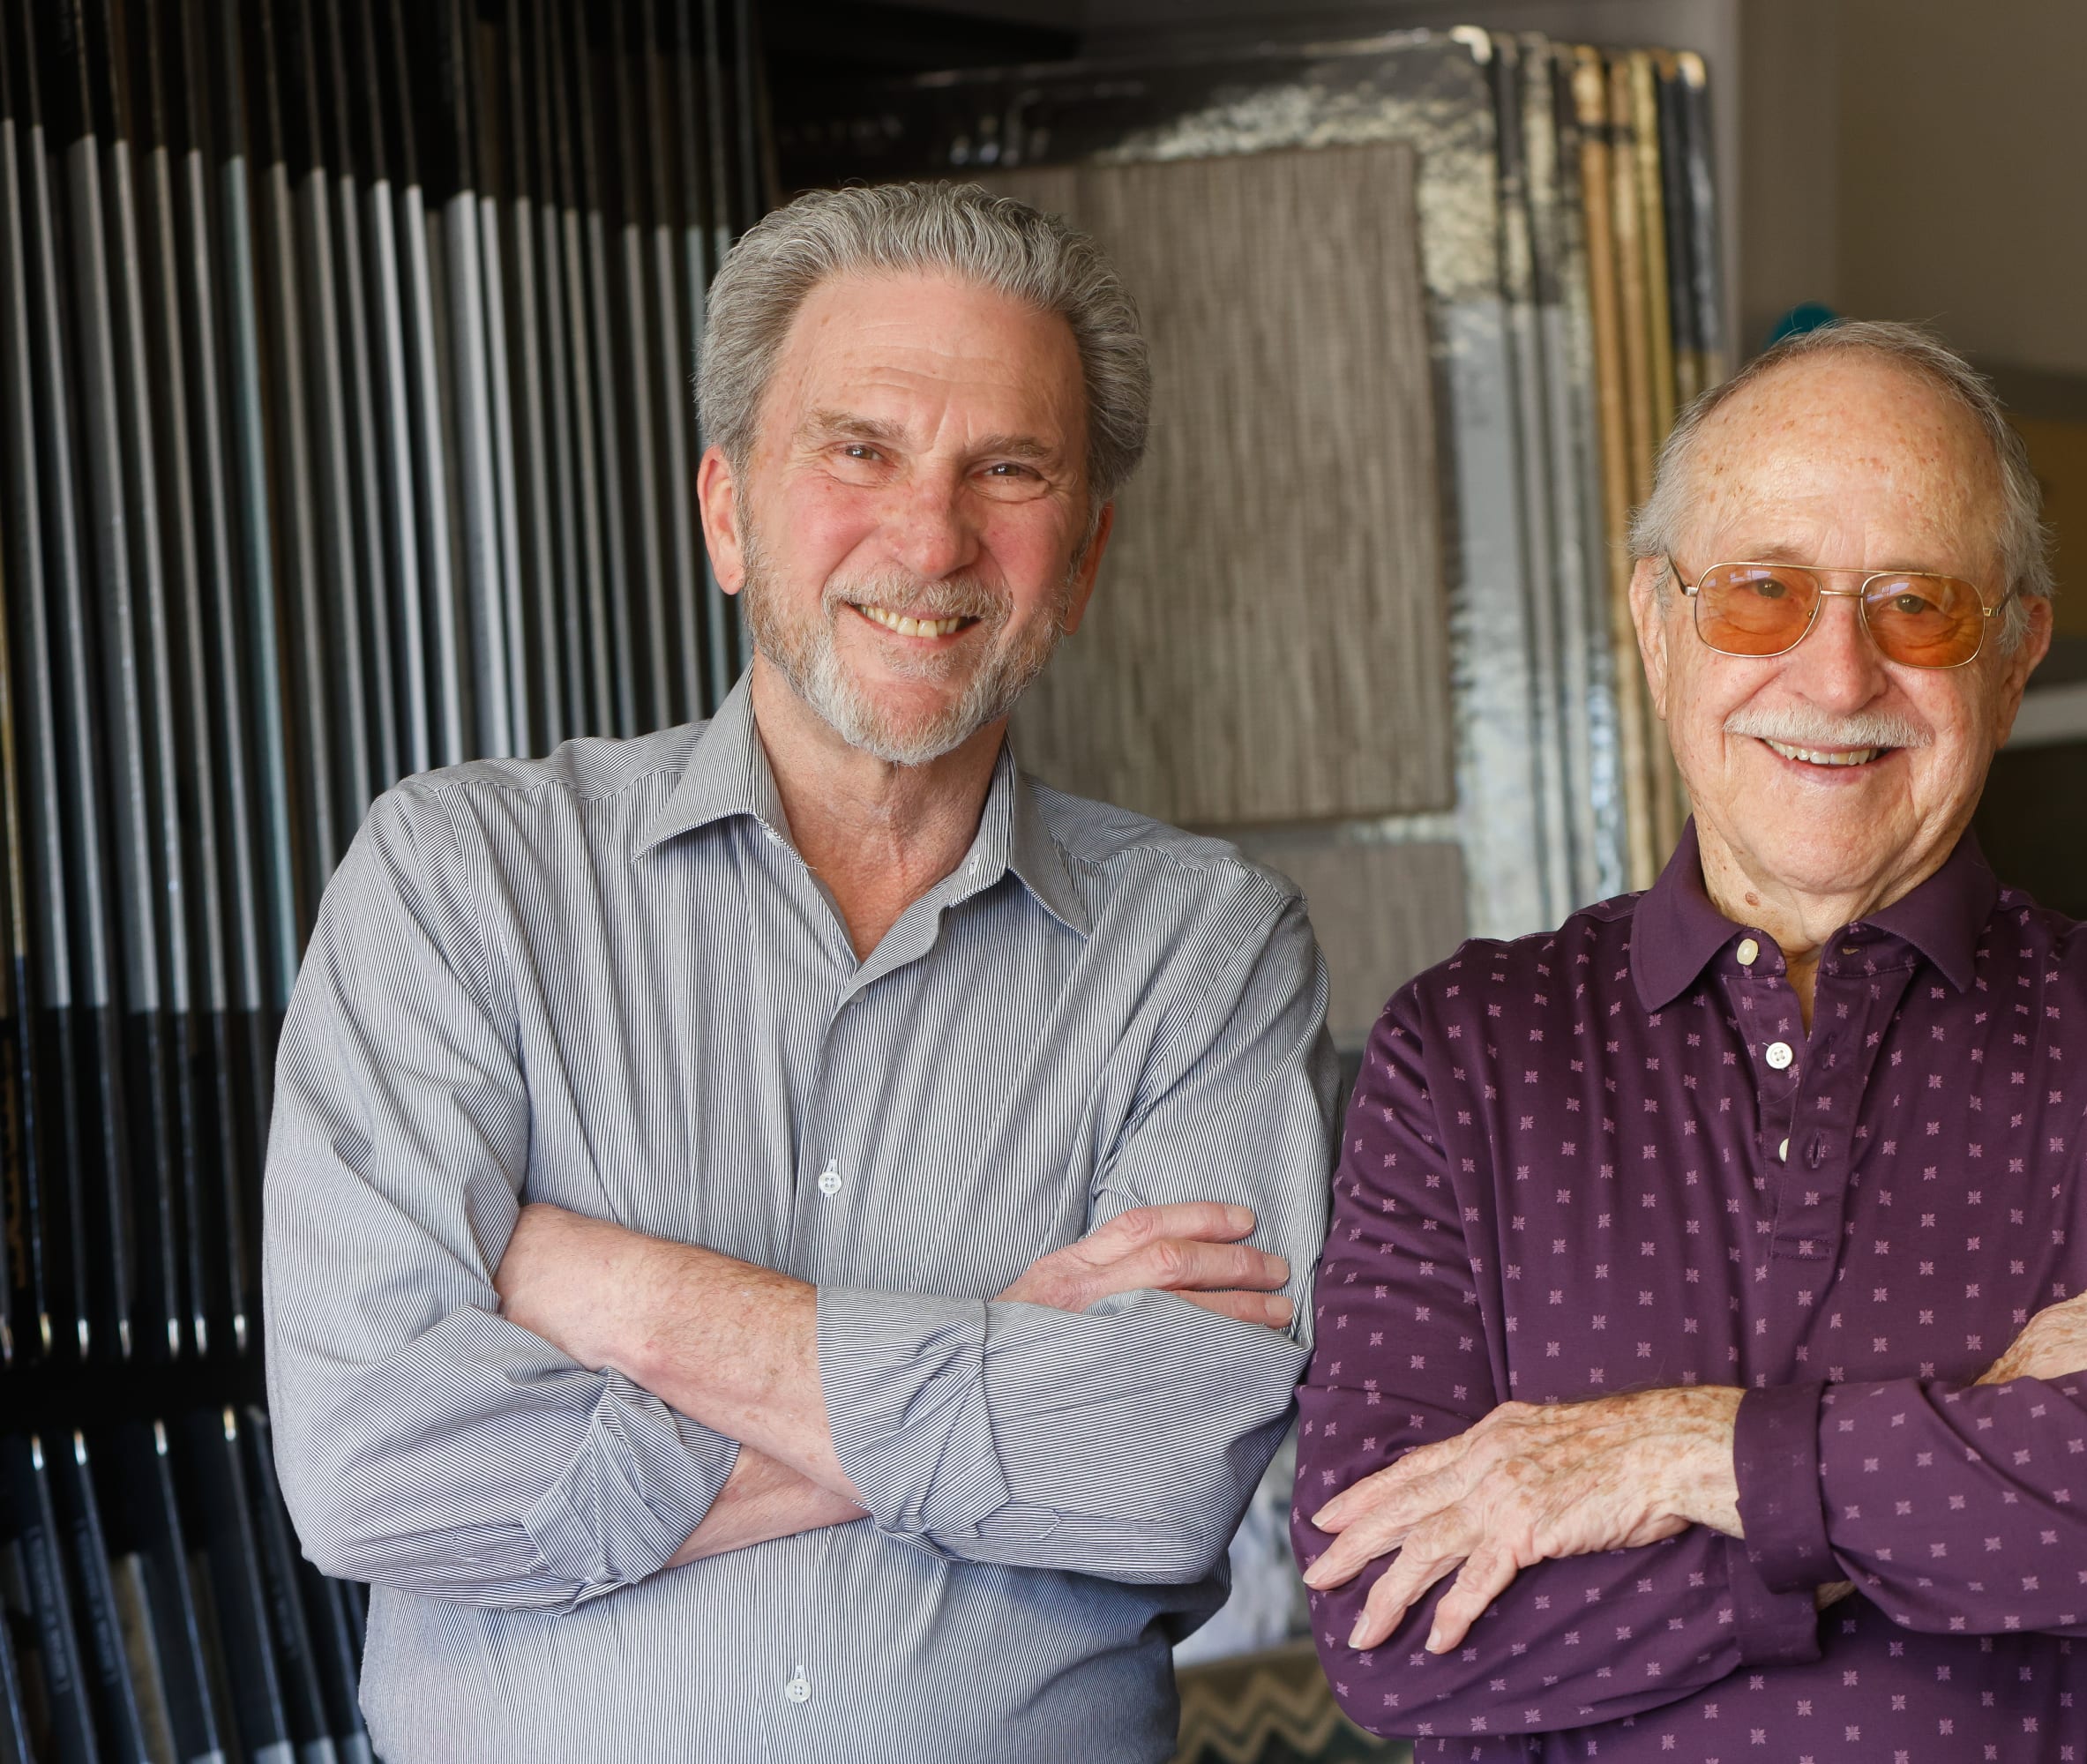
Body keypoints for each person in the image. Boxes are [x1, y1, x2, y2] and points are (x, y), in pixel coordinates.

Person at [263, 183, 1335, 1761]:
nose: (931, 535)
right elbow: (375, 1461)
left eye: (1009, 469)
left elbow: (1158, 1471)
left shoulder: (1205, 951)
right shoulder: (461, 882)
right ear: (726, 511)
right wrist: (991, 1359)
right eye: (859, 449)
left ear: (1084, 555)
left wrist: (615, 1291)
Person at [1293, 319, 2087, 1761]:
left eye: (1918, 605)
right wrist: (1996, 1405)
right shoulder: (1466, 1053)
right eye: (1763, 593)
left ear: (2017, 651)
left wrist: (1671, 1456)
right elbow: (1394, 1640)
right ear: (1658, 624)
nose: (1837, 678)